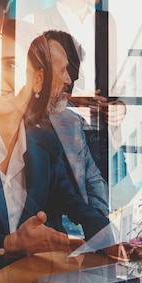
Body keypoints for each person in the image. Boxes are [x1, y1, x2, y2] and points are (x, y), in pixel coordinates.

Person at [0, 18, 110, 279]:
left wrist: (110, 239)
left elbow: (73, 201)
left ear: (38, 80)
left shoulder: (46, 142)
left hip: (38, 277)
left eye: (10, 65)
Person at [24, 0, 126, 185]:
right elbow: (28, 87)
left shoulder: (107, 23)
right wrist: (70, 100)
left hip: (105, 139)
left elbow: (120, 83)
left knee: (121, 212)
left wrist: (121, 106)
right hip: (58, 138)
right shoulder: (35, 21)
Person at [39, 30, 109, 236]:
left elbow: (93, 178)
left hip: (67, 231)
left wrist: (100, 230)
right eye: (63, 69)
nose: (69, 81)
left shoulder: (70, 119)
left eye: (72, 72)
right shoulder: (15, 120)